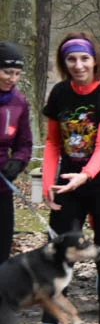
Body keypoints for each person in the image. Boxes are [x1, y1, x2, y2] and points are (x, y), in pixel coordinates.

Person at [22, 32, 100, 324]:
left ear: (94, 61)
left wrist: (84, 176)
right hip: (68, 183)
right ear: (64, 63)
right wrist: (47, 184)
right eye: (72, 59)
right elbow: (55, 142)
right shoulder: (59, 94)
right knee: (55, 256)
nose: (78, 65)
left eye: (84, 58)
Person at [0, 42, 32, 264]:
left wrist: (18, 162)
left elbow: (24, 143)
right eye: (6, 72)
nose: (11, 78)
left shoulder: (19, 102)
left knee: (3, 244)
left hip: (2, 185)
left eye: (17, 74)